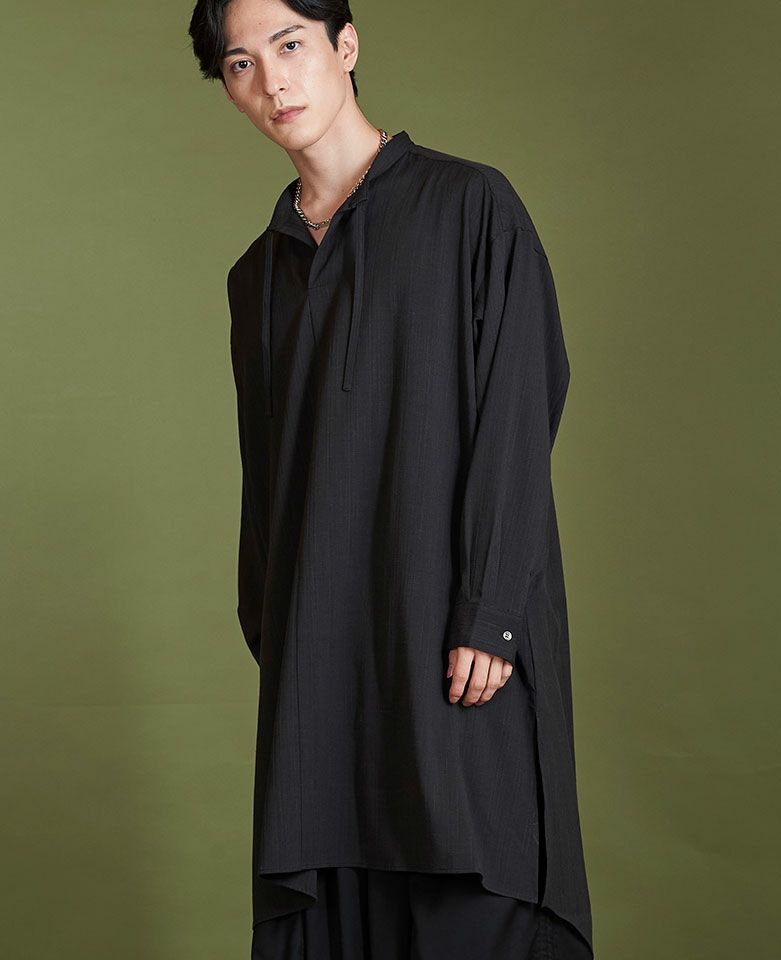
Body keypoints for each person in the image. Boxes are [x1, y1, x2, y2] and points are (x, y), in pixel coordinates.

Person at [188, 1, 594, 957]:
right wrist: (276, 631)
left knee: (479, 902)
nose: (272, 81)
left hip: (461, 655)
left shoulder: (470, 207)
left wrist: (492, 607)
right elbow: (268, 479)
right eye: (241, 64)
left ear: (346, 45)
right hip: (323, 680)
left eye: (290, 45)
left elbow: (520, 400)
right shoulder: (258, 277)